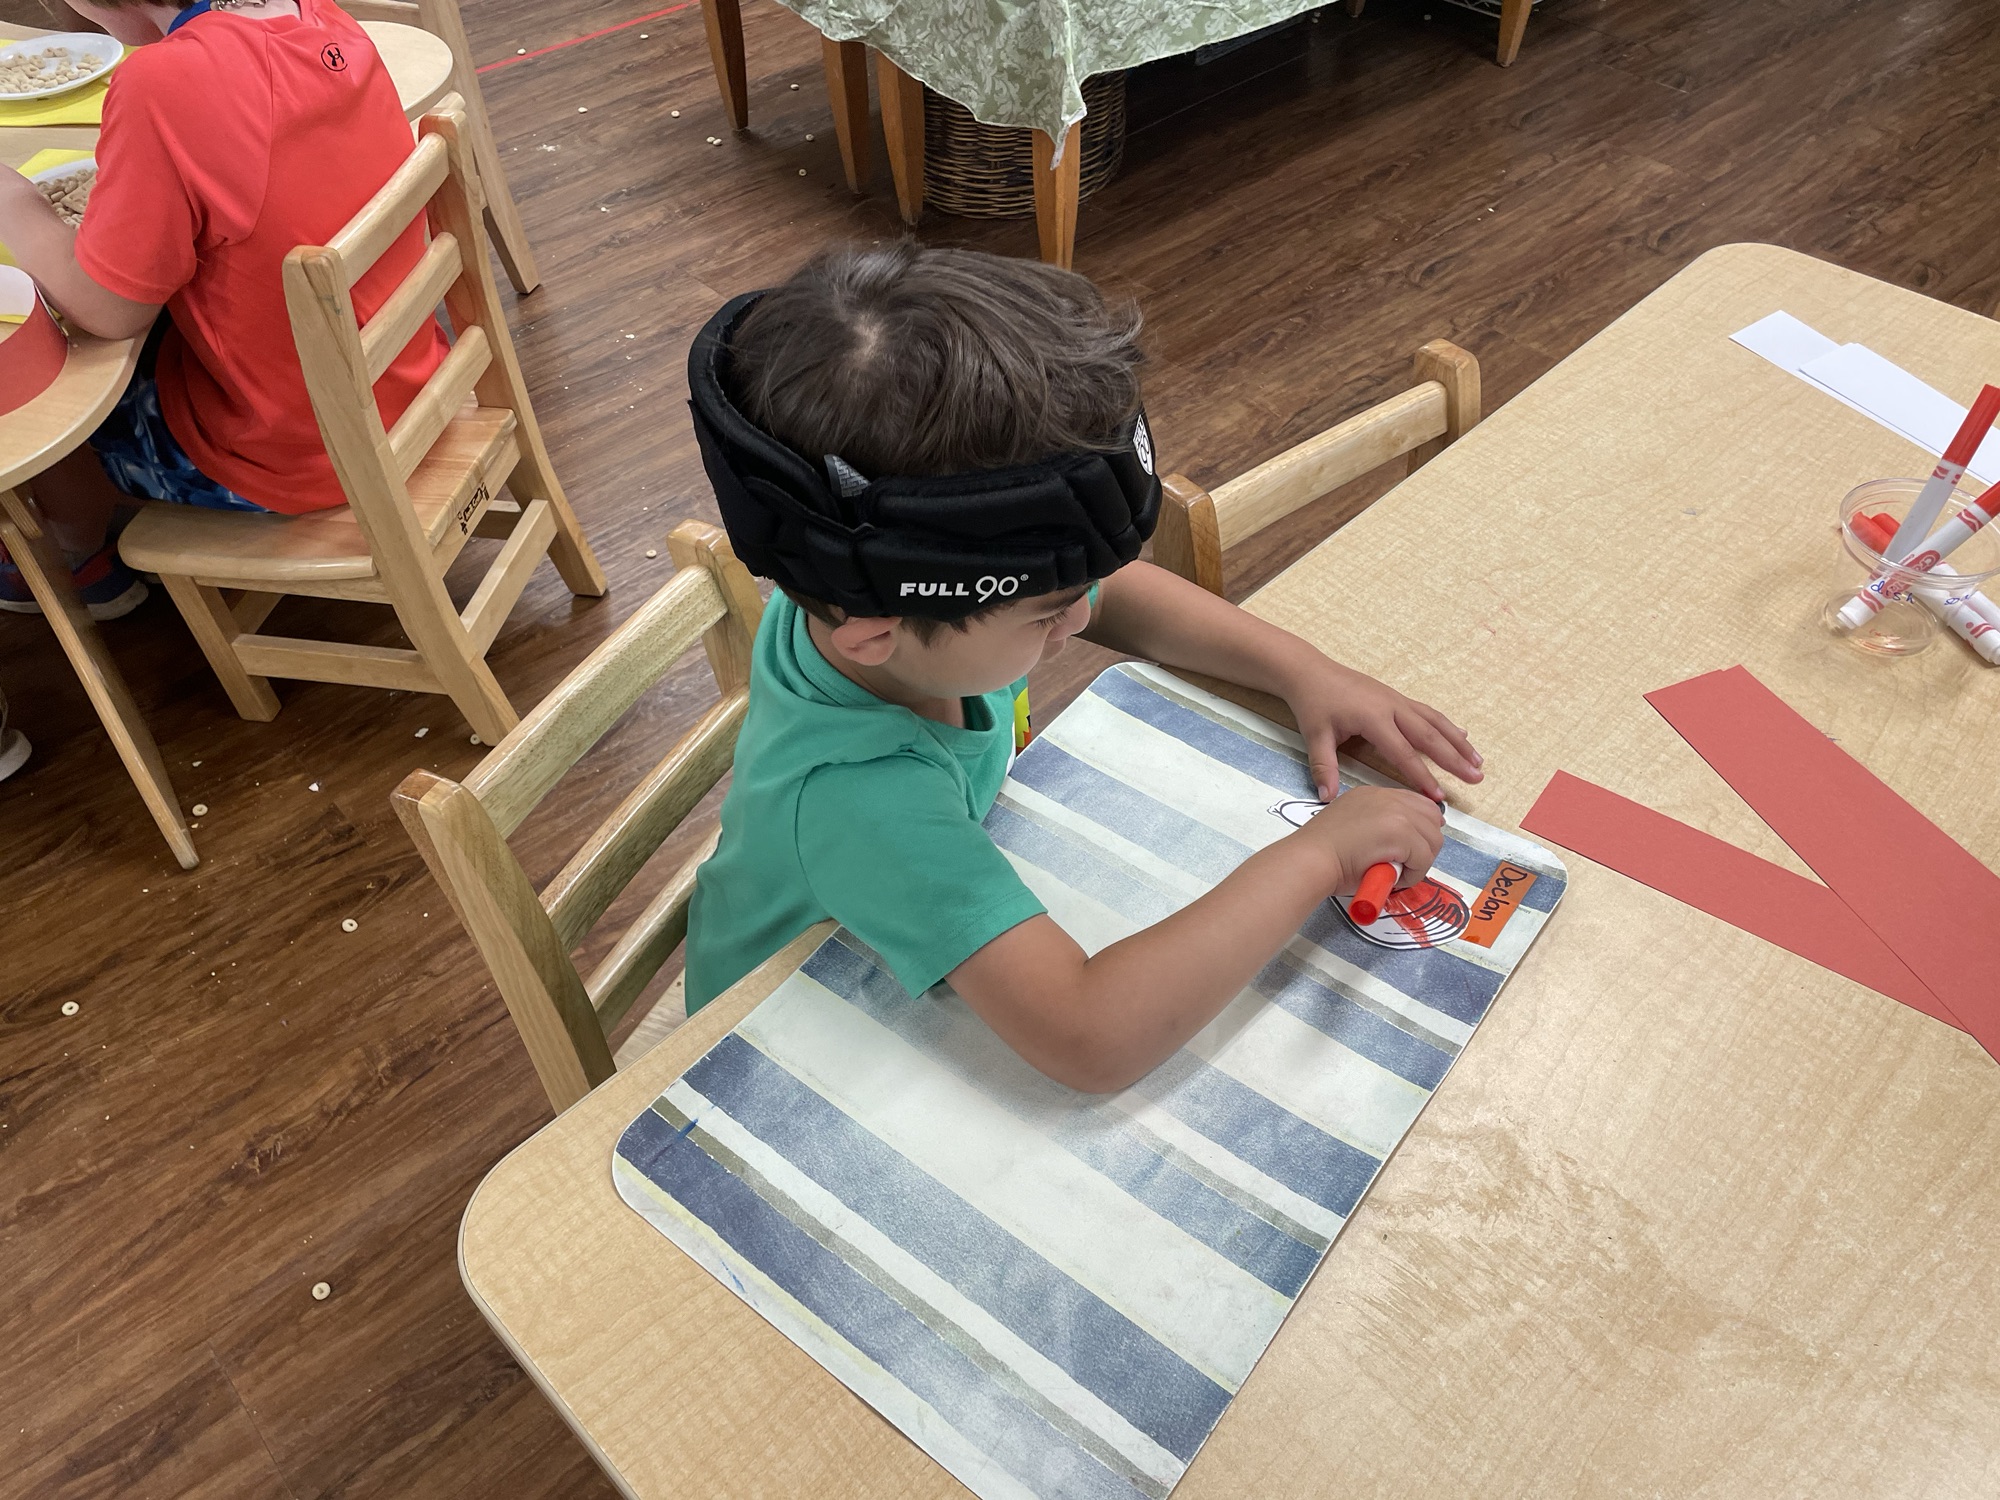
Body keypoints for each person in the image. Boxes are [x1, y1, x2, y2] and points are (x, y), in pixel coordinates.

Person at [682, 243, 1484, 1094]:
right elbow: (1090, 1037)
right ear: (876, 634)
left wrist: (1303, 670)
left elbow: (1113, 594)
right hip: (777, 1037)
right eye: (1048, 613)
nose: (1080, 613)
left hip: (888, 919)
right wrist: (1322, 854)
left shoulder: (877, 607)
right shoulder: (861, 798)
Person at [0, 0, 446, 620]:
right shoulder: (320, 13)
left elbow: (111, 312)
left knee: (46, 375)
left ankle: (75, 556)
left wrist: (15, 201)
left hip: (296, 457)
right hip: (408, 384)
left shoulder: (161, 84)